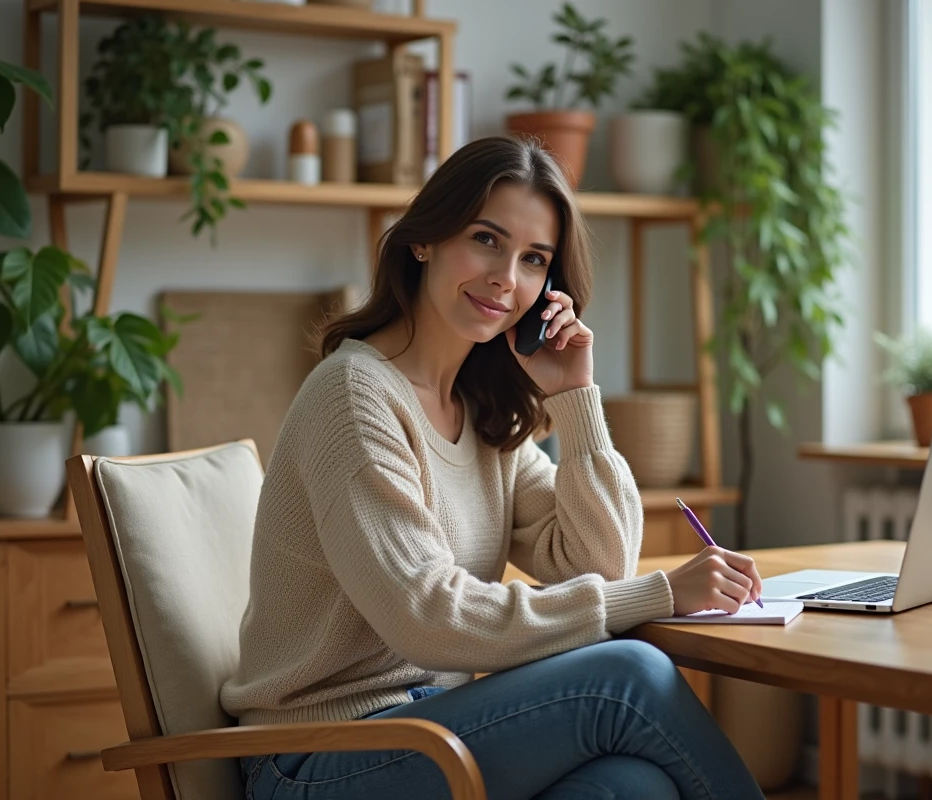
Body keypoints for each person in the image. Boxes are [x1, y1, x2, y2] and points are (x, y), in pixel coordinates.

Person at [221, 135, 766, 800]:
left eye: (533, 259)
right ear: (424, 240)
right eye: (486, 240)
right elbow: (428, 615)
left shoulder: (482, 413)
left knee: (631, 786)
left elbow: (599, 566)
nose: (507, 277)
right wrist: (659, 596)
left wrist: (574, 397)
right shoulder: (352, 397)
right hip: (314, 759)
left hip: (429, 732)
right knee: (630, 678)